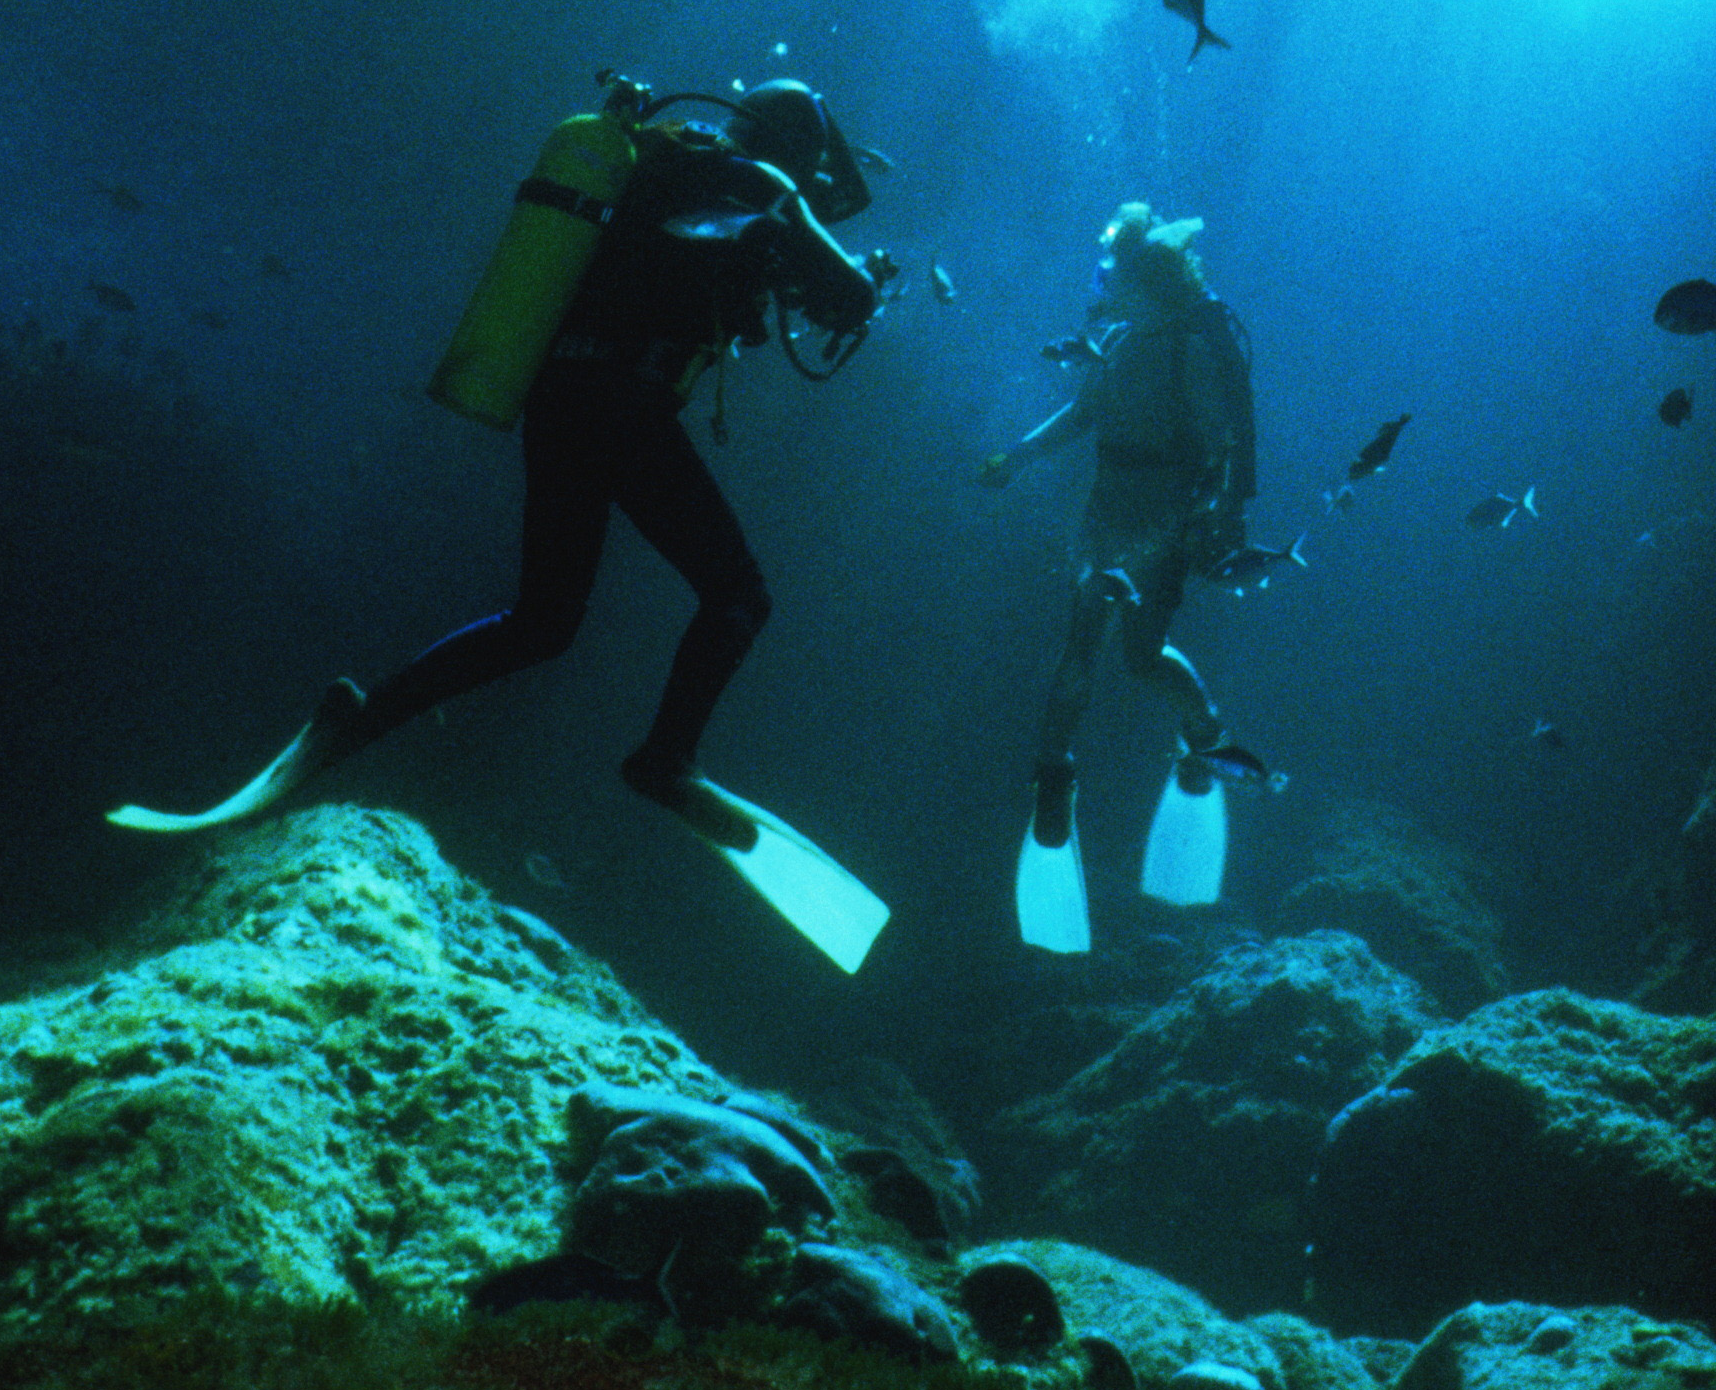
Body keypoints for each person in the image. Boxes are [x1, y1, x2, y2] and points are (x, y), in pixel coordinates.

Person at [114, 74, 896, 968]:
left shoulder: (664, 171)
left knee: (543, 620)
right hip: (625, 405)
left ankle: (365, 713)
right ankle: (664, 759)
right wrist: (850, 269)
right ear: (797, 145)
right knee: (738, 595)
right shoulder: (761, 184)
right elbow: (844, 284)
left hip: (561, 394)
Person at [979, 203, 1259, 937]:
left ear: (1146, 279)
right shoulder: (1123, 342)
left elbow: (1218, 441)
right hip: (1109, 509)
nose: (1102, 282)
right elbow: (1081, 415)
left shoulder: (1184, 350)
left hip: (1157, 519)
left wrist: (1211, 516)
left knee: (1136, 656)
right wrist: (1017, 455)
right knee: (1081, 640)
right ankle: (1053, 775)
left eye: (1113, 272)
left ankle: (1203, 729)